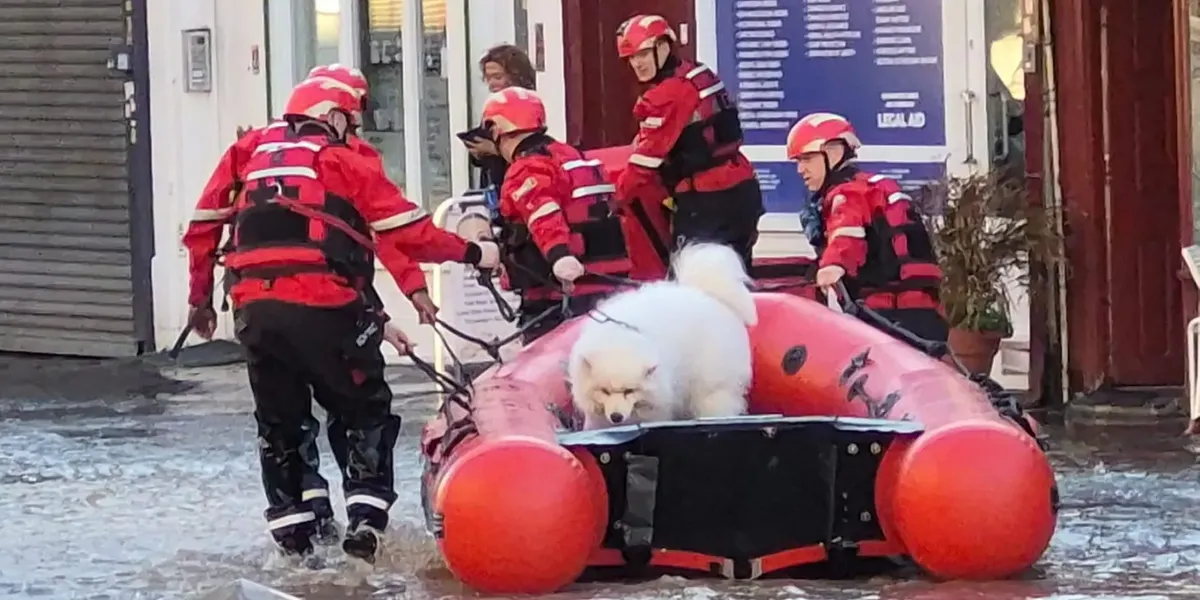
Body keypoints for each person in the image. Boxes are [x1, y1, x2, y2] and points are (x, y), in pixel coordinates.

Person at [182, 77, 500, 562]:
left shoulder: (248, 150)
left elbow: (203, 227)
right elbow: (405, 231)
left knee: (279, 423)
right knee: (362, 410)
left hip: (255, 312)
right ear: (335, 117)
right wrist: (475, 252)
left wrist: (200, 300)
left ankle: (297, 538)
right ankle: (366, 523)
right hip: (327, 308)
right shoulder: (345, 160)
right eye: (351, 119)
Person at [480, 86, 634, 342]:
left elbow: (543, 215)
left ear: (496, 130)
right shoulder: (571, 156)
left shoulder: (526, 168)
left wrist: (559, 256)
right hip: (609, 287)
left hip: (558, 297)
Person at [614, 14, 764, 271]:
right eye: (631, 58)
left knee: (690, 289)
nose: (636, 64)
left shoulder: (666, 95)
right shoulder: (698, 72)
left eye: (642, 54)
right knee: (736, 281)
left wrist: (613, 200)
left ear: (663, 47)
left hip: (708, 201)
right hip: (743, 189)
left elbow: (644, 163)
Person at [785, 112, 948, 342]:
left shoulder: (848, 193)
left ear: (833, 152)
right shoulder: (877, 187)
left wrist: (832, 266)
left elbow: (847, 233)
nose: (800, 169)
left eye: (807, 159)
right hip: (924, 314)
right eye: (798, 162)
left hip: (885, 316)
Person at [464, 45, 538, 189]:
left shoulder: (530, 106)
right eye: (488, 78)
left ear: (516, 75)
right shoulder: (495, 106)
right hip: (493, 182)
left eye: (498, 77)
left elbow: (532, 152)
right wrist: (478, 152)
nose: (492, 84)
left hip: (518, 185)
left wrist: (494, 150)